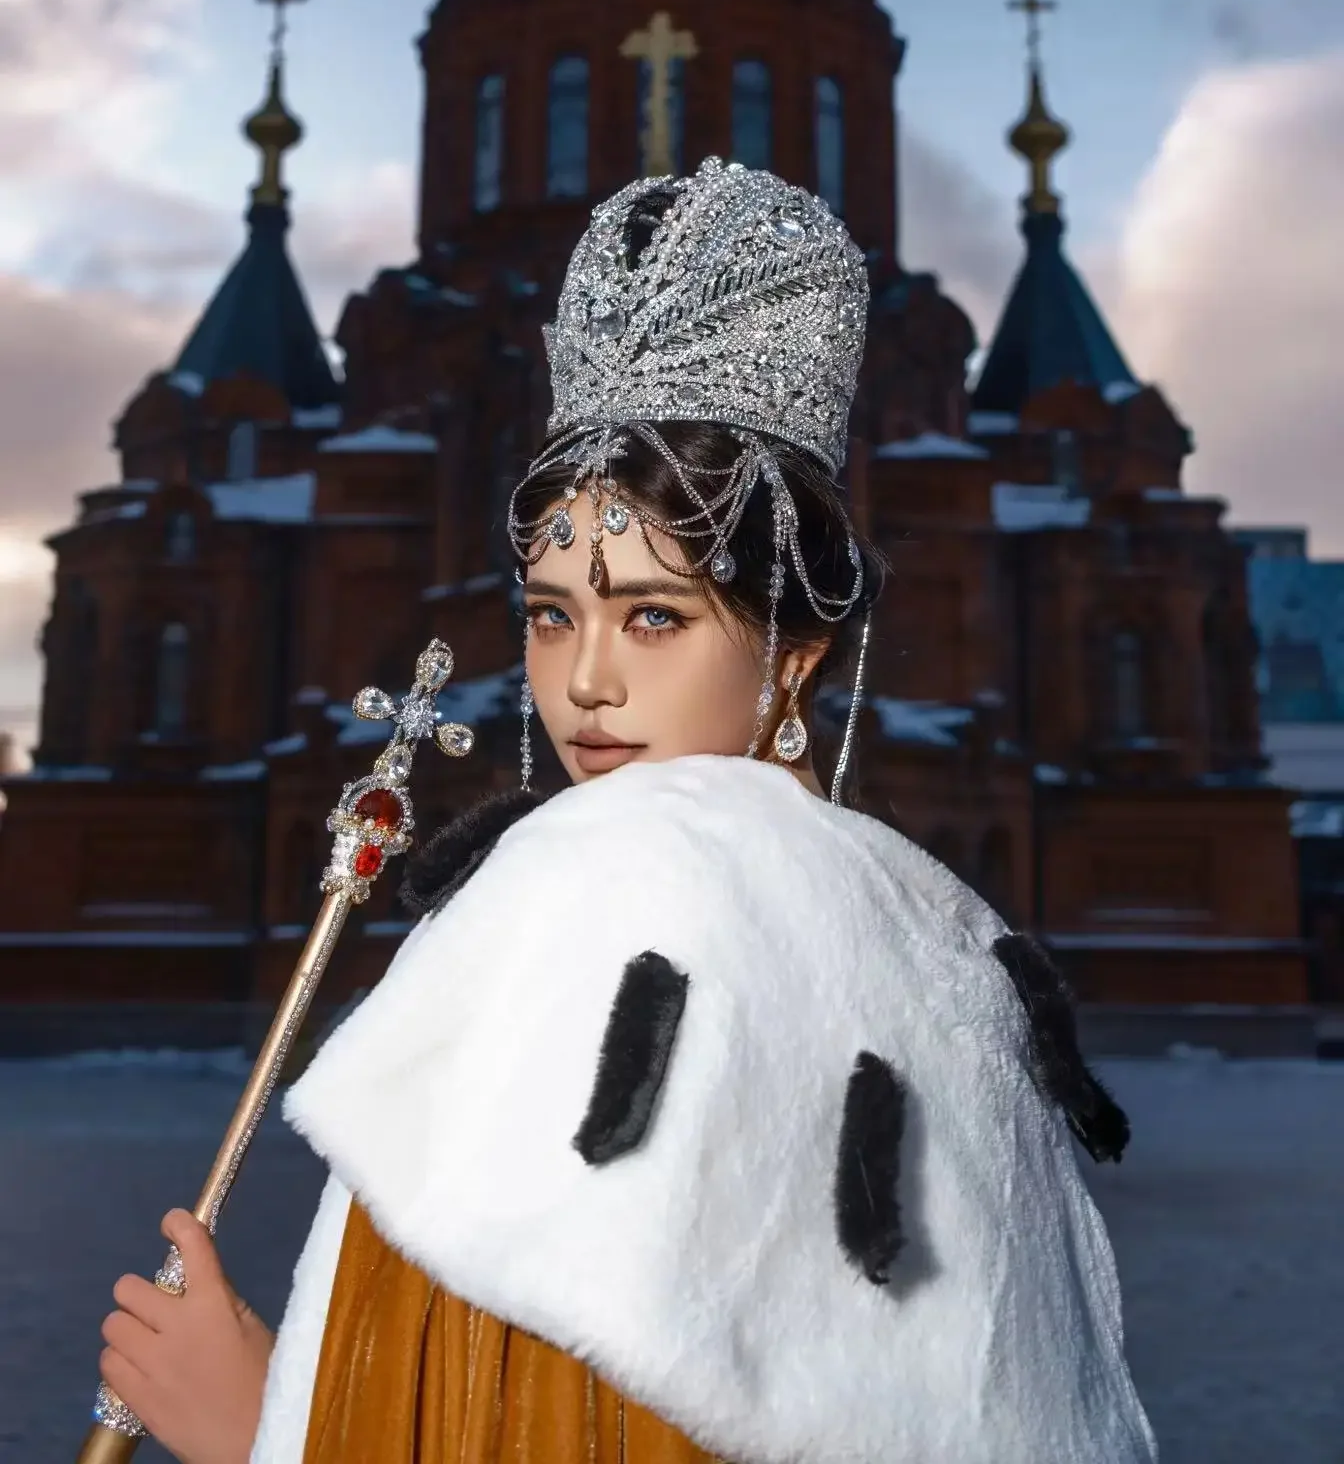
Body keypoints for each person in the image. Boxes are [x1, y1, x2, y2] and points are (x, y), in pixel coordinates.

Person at [97, 159, 1157, 1464]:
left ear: (799, 651)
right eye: (553, 614)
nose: (586, 681)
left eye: (655, 614)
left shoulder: (603, 909)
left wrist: (256, 1430)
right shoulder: (927, 933)